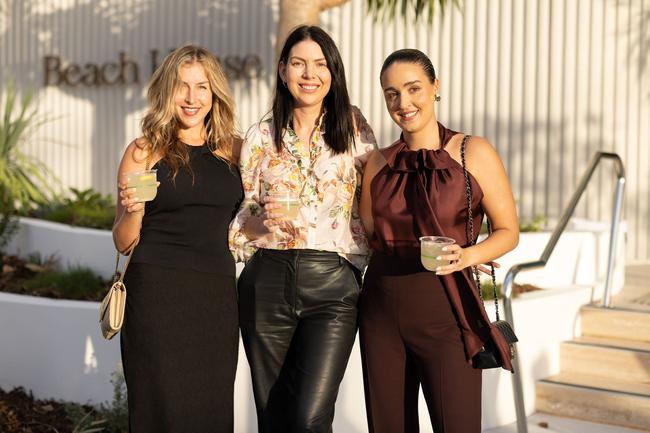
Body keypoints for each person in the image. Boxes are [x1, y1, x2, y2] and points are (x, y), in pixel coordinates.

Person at [358, 49, 520, 433]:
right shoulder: (377, 164)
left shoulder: (473, 151)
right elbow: (369, 233)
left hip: (449, 311)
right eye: (391, 93)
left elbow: (508, 231)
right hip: (381, 311)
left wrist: (468, 255)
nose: (404, 102)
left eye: (413, 88)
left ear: (435, 87)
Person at [229, 25, 376, 433]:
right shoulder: (260, 136)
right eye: (298, 63)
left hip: (333, 285)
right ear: (282, 71)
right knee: (274, 417)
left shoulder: (354, 127)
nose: (309, 74)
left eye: (319, 64)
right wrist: (257, 224)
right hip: (266, 283)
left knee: (310, 417)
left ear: (333, 72)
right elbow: (244, 218)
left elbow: (374, 200)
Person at [112, 45, 242, 433]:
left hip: (216, 297)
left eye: (201, 87)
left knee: (211, 406)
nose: (192, 98)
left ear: (214, 92)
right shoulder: (143, 151)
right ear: (166, 90)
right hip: (156, 294)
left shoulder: (234, 150)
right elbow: (121, 242)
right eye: (182, 86)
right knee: (159, 405)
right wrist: (134, 209)